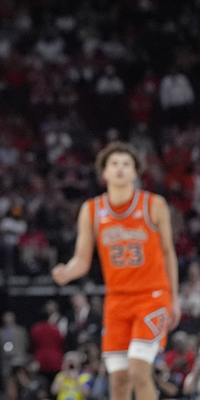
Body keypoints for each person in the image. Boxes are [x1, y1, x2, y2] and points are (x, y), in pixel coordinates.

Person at [52, 141, 179, 400]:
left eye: (126, 164)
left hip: (152, 296)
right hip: (117, 301)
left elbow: (168, 253)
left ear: (135, 172)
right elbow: (82, 261)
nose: (120, 168)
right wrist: (67, 272)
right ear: (104, 172)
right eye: (114, 164)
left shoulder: (153, 204)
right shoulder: (92, 210)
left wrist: (174, 299)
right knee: (118, 379)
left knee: (138, 371)